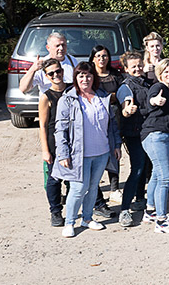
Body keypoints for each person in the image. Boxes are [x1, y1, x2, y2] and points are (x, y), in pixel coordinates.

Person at [53, 62, 121, 237]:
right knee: (78, 188)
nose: (85, 79)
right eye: (81, 75)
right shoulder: (68, 99)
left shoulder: (102, 96)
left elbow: (112, 124)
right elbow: (60, 129)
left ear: (94, 78)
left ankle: (88, 218)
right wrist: (62, 153)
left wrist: (116, 145)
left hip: (102, 152)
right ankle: (70, 222)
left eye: (89, 75)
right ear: (75, 78)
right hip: (79, 154)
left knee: (93, 187)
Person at [139, 58, 169, 234]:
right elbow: (152, 99)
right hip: (155, 135)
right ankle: (162, 221)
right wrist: (155, 101)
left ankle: (150, 211)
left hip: (167, 135)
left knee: (157, 175)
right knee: (165, 177)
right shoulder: (158, 88)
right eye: (166, 71)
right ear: (159, 74)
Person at [117, 52, 152, 227]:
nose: (137, 69)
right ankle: (124, 210)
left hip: (146, 131)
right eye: (133, 67)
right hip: (133, 133)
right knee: (137, 169)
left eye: (139, 65)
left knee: (144, 166)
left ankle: (140, 199)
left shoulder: (146, 82)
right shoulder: (126, 87)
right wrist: (127, 110)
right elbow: (126, 105)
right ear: (126, 69)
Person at [89, 45, 123, 210]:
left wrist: (111, 98)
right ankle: (96, 190)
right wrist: (109, 98)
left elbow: (123, 93)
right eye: (98, 56)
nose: (102, 59)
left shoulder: (115, 75)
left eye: (104, 56)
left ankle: (114, 187)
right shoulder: (89, 76)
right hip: (96, 120)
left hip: (115, 118)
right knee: (98, 154)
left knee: (115, 152)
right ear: (93, 58)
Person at [38, 59, 69, 227]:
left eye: (58, 71)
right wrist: (45, 150)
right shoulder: (46, 97)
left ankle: (73, 208)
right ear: (46, 76)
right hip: (54, 142)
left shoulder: (72, 89)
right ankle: (55, 211)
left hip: (73, 140)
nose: (56, 75)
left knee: (74, 178)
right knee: (54, 179)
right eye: (51, 73)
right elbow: (42, 125)